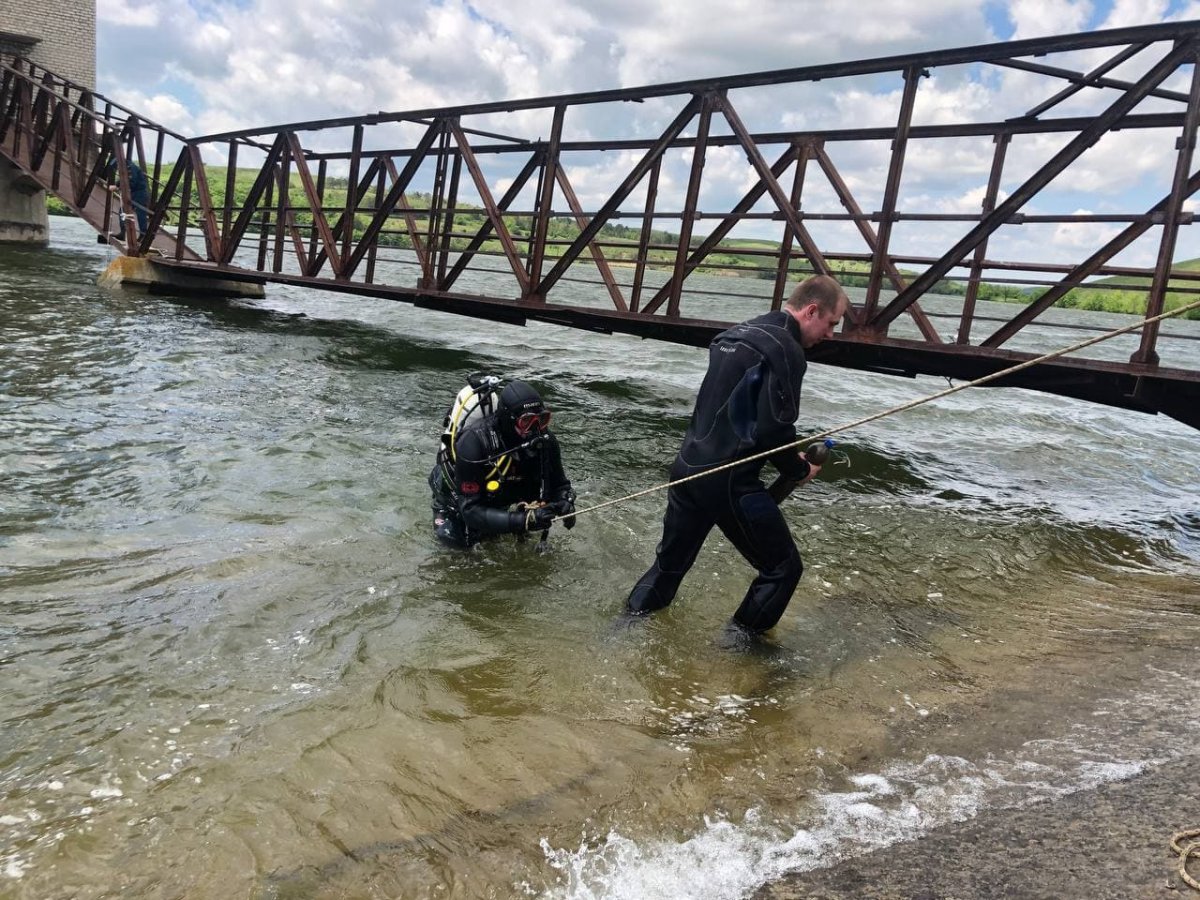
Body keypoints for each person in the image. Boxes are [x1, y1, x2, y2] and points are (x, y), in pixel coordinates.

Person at [625, 274, 849, 634]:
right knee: (783, 569)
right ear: (811, 311)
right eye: (832, 323)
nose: (831, 334)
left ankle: (622, 631)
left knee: (669, 568)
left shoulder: (735, 334)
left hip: (687, 470)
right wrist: (796, 470)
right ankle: (740, 651)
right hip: (729, 481)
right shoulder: (786, 350)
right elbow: (773, 431)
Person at [429, 377, 576, 548]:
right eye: (526, 421)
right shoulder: (473, 443)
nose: (536, 429)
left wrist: (565, 501)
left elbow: (560, 485)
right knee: (457, 548)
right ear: (508, 420)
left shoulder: (546, 441)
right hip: (457, 501)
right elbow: (470, 510)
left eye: (542, 419)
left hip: (501, 495)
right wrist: (522, 521)